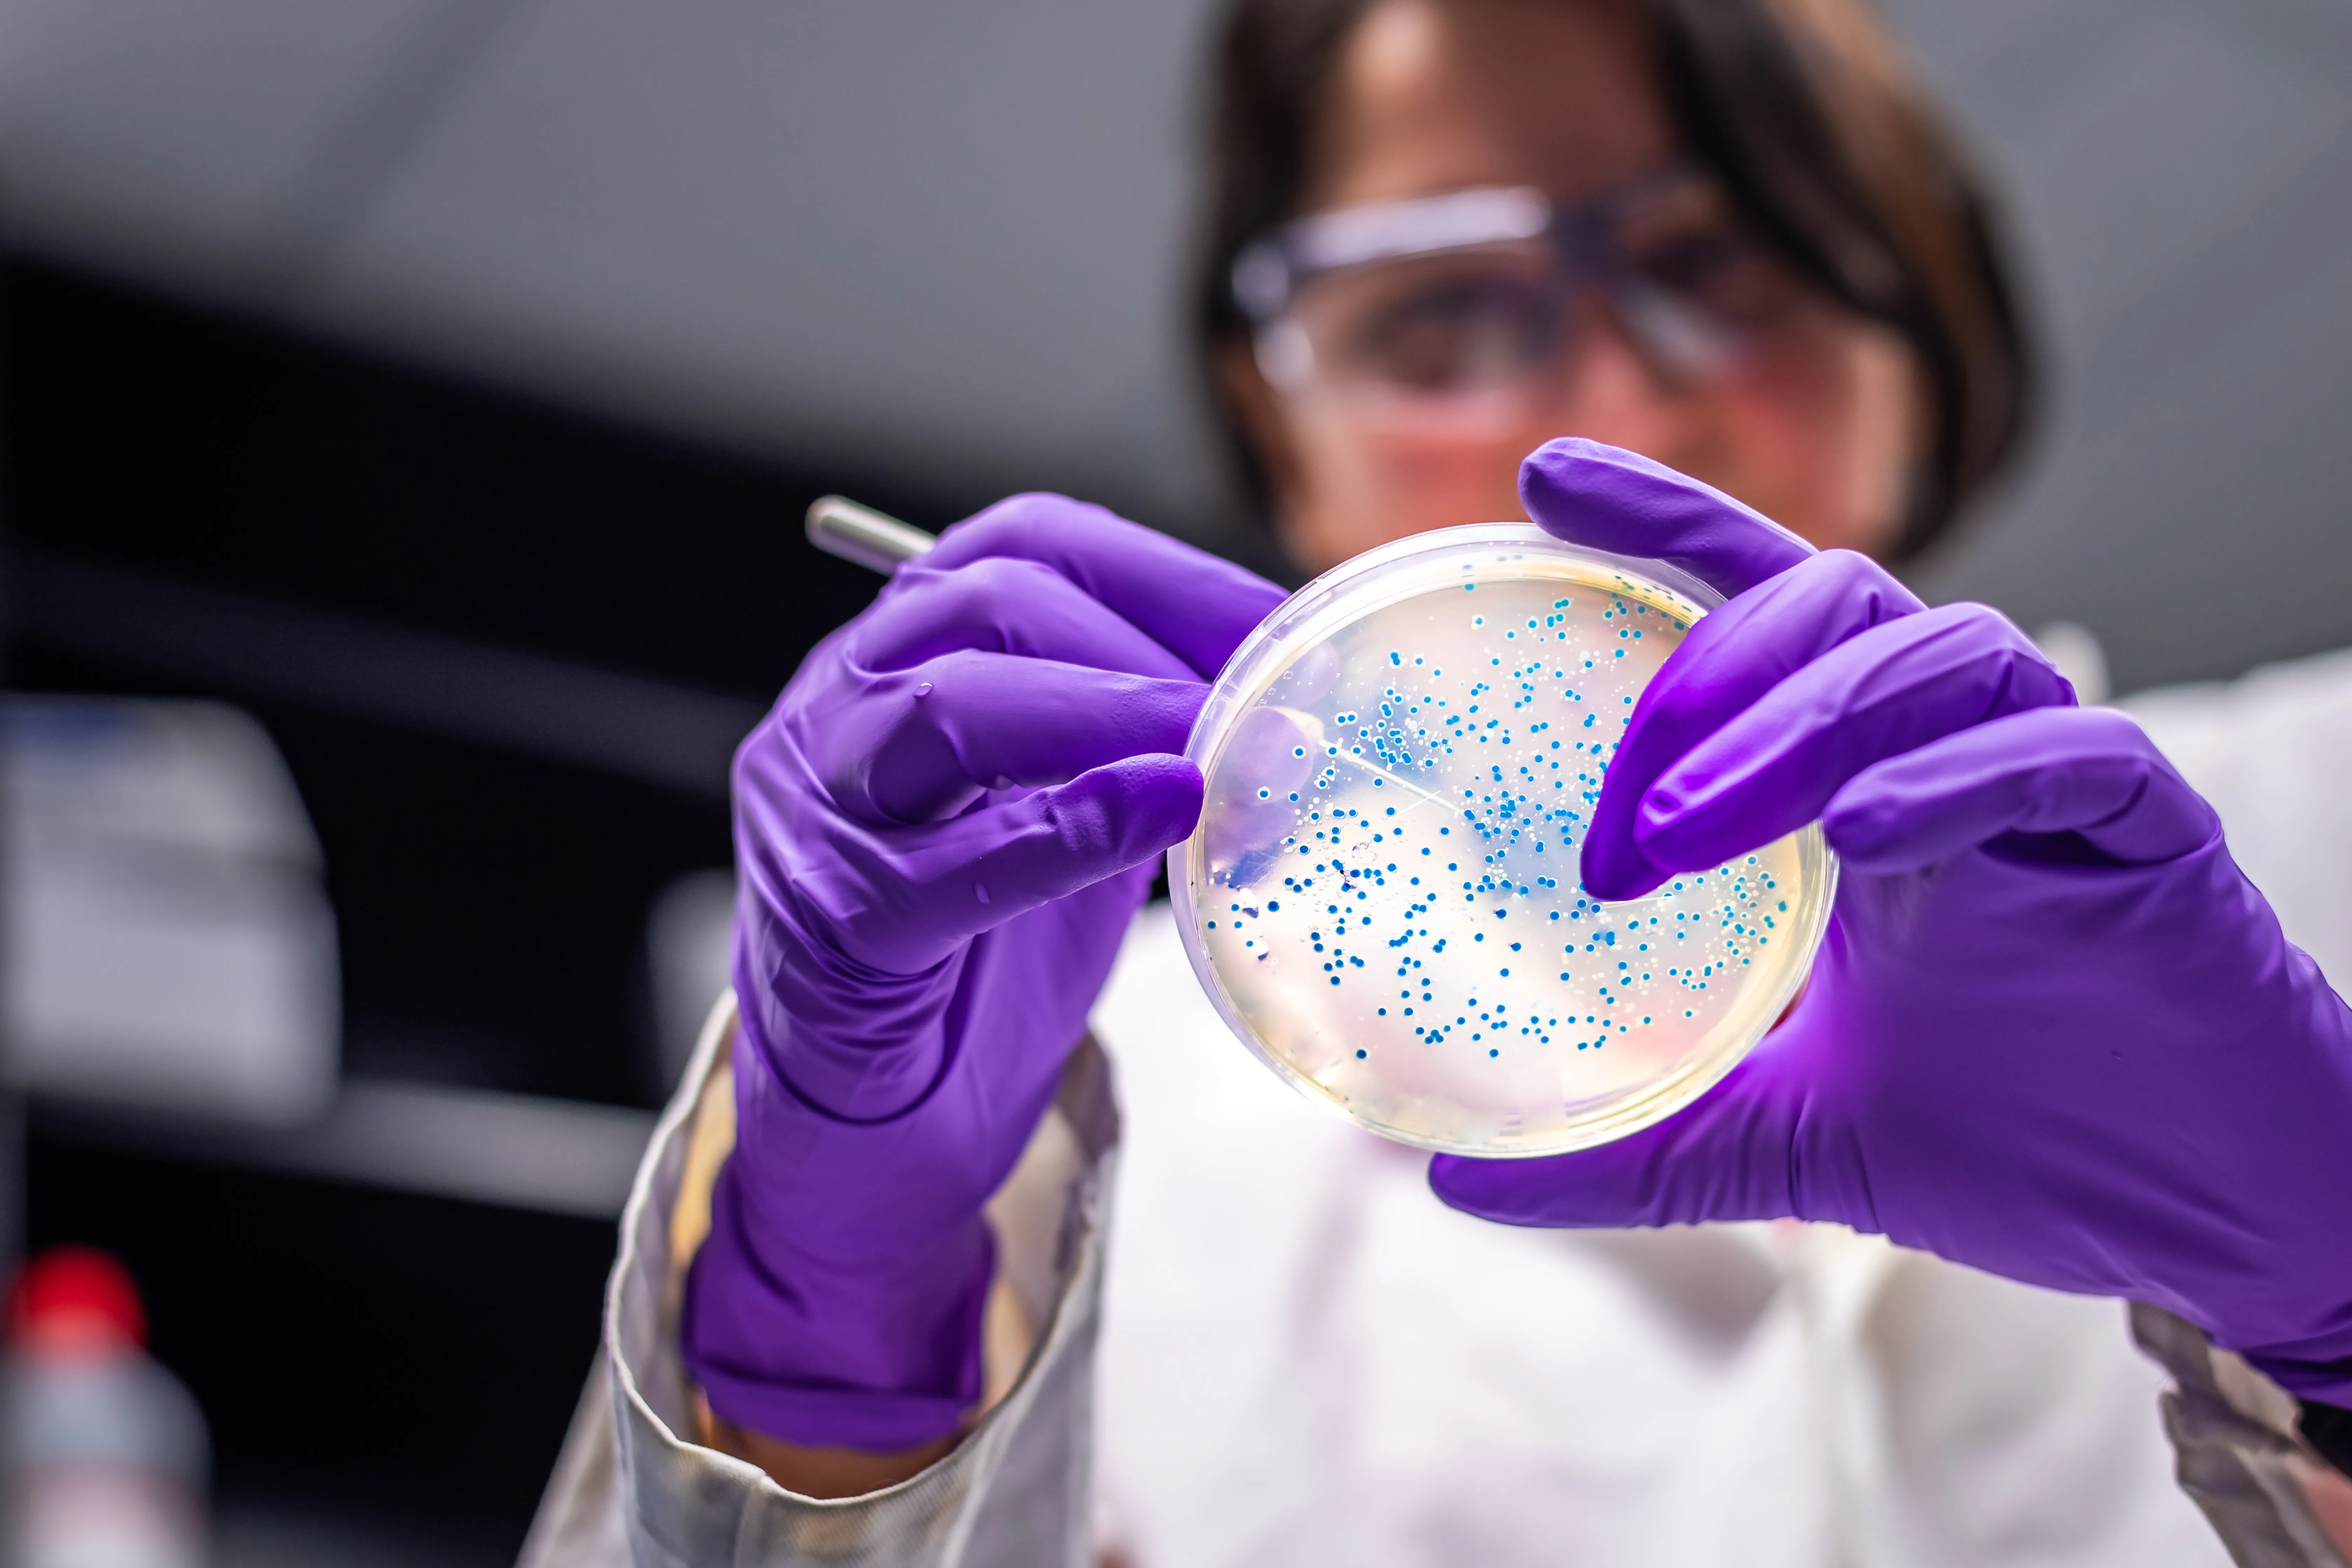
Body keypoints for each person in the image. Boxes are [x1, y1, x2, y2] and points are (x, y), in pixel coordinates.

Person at [518, 1, 2352, 1564]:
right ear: (1279, 429)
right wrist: (832, 1342)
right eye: (1433, 315)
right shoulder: (1111, 1092)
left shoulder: (2324, 822)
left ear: (1925, 338)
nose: (1607, 400)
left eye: (1719, 261)